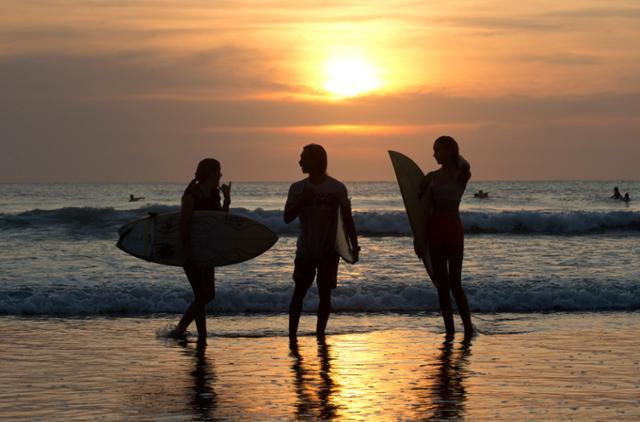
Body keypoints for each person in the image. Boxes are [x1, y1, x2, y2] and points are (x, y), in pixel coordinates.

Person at [284, 144, 359, 339]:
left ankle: (320, 336)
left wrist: (354, 246)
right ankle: (292, 336)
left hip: (329, 251)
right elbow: (286, 217)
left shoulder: (337, 188)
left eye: (304, 158)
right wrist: (302, 201)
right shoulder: (297, 188)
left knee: (325, 295)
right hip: (305, 250)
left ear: (317, 161)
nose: (300, 161)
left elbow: (347, 219)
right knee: (299, 292)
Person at [170, 158, 231, 343]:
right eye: (219, 172)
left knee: (205, 295)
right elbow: (183, 226)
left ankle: (200, 335)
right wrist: (188, 254)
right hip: (190, 250)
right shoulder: (191, 195)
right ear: (212, 174)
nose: (221, 175)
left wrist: (227, 198)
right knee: (204, 295)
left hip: (207, 250)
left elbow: (221, 219)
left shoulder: (213, 193)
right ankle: (181, 329)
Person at [419, 136, 473, 339]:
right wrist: (419, 239)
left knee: (455, 282)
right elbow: (423, 210)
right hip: (435, 228)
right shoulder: (431, 177)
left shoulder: (462, 174)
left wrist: (455, 155)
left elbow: (465, 163)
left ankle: (467, 327)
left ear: (450, 151)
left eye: (438, 150)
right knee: (442, 284)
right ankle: (449, 328)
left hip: (453, 229)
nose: (434, 154)